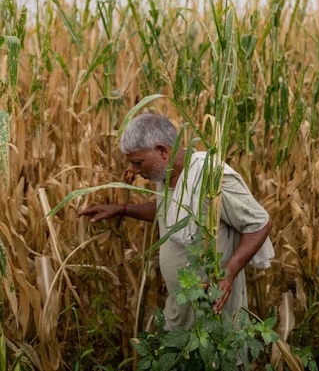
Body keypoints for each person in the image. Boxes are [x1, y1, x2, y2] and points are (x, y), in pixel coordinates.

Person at [78, 113, 274, 330]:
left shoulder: (211, 176)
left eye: (138, 162)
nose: (134, 170)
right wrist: (121, 209)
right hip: (180, 309)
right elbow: (168, 211)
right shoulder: (165, 174)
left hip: (215, 311)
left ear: (162, 151)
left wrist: (229, 271)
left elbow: (259, 223)